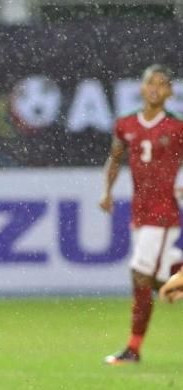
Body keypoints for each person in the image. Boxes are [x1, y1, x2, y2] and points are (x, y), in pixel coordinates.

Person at [100, 64, 183, 365]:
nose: (155, 88)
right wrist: (107, 192)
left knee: (140, 275)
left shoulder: (177, 127)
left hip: (163, 214)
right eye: (151, 82)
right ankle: (134, 348)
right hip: (141, 211)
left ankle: (133, 348)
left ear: (170, 92)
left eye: (162, 84)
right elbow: (115, 158)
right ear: (141, 87)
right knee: (160, 284)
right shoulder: (125, 124)